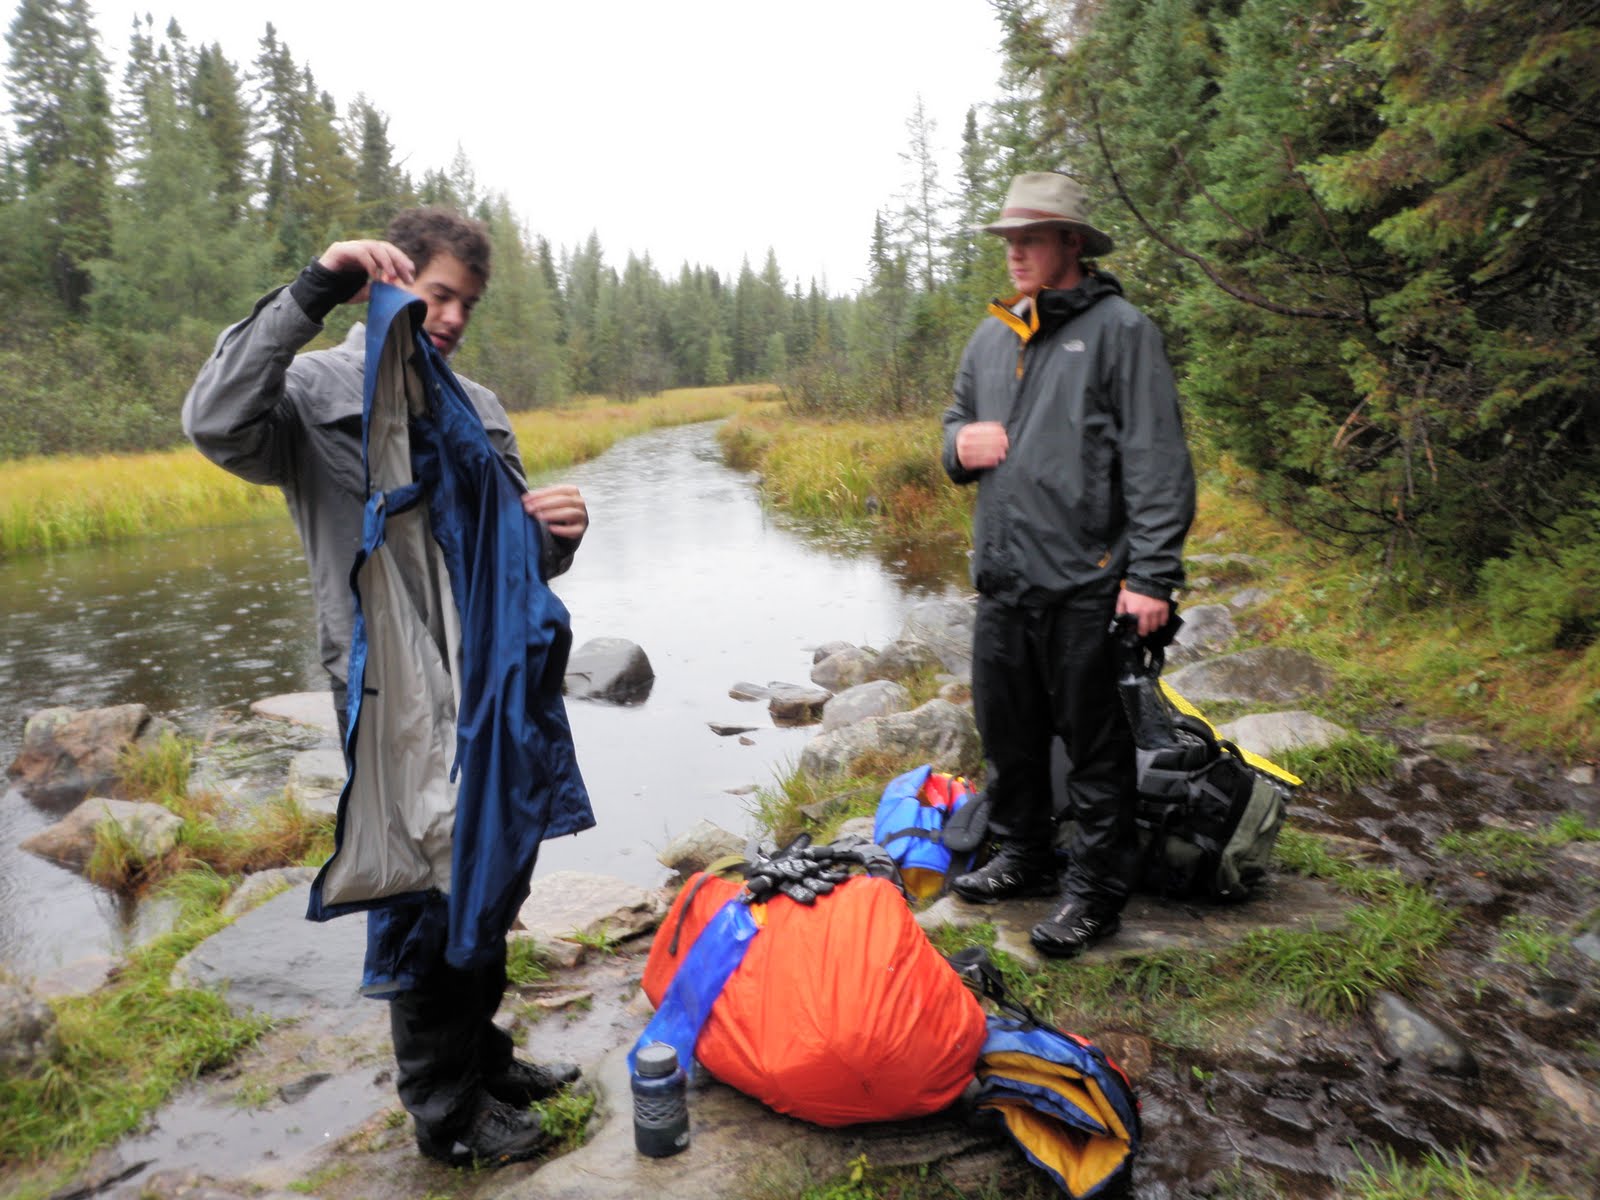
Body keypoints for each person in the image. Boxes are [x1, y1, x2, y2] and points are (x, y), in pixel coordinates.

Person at [183, 208, 590, 1167]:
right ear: (390, 283)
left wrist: (559, 537)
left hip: (484, 676)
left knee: (491, 868)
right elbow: (213, 421)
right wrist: (313, 287)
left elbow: (518, 561)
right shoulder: (310, 390)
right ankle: (446, 1111)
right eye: (437, 294)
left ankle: (482, 1057)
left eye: (465, 303)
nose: (449, 317)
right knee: (421, 887)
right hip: (387, 689)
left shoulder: (480, 404)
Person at [941, 171, 1195, 957]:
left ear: (1071, 244)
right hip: (1004, 580)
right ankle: (1022, 855)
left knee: (1097, 750)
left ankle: (1095, 891)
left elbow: (1157, 459)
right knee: (1008, 732)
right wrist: (957, 447)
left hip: (1089, 582)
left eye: (1031, 239)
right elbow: (954, 421)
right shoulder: (991, 336)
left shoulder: (1122, 331)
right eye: (1009, 241)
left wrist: (1151, 577)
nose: (1015, 253)